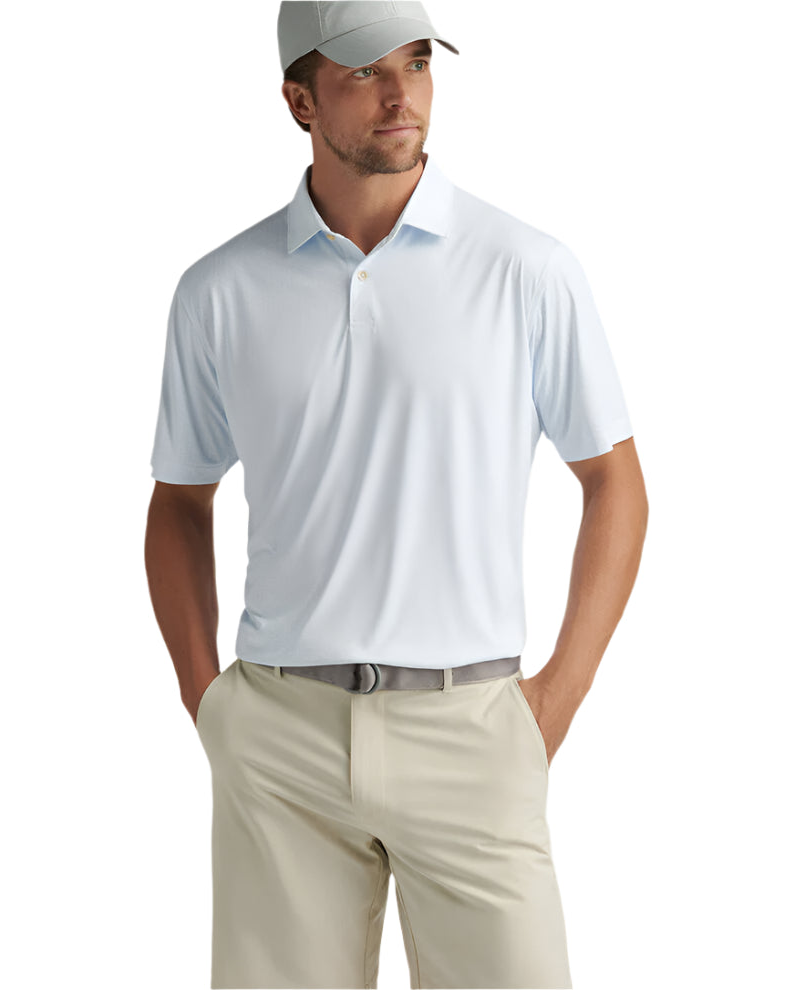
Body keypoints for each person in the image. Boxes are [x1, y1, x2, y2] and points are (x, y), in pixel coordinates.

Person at [144, 2, 649, 987]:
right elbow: (179, 499)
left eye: (415, 63)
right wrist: (206, 698)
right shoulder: (220, 290)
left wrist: (555, 699)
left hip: (471, 729)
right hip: (280, 741)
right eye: (363, 71)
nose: (399, 94)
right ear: (299, 100)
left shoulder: (526, 269)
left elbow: (614, 482)